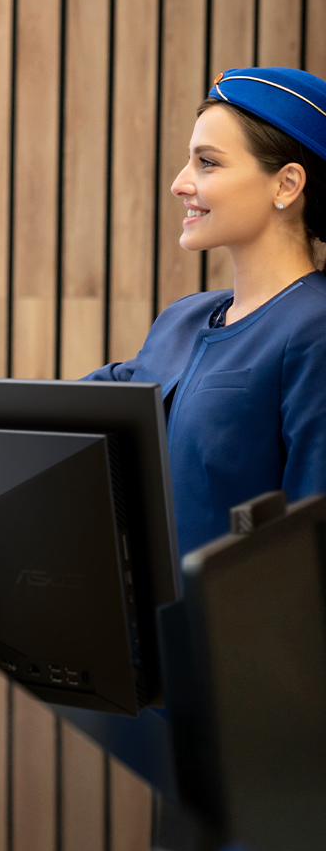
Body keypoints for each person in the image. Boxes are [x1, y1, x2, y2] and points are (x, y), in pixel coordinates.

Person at [83, 67, 326, 559]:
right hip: (154, 630)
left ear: (287, 184)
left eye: (207, 163)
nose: (179, 183)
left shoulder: (314, 330)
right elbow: (66, 415)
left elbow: (312, 542)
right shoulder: (184, 319)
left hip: (248, 633)